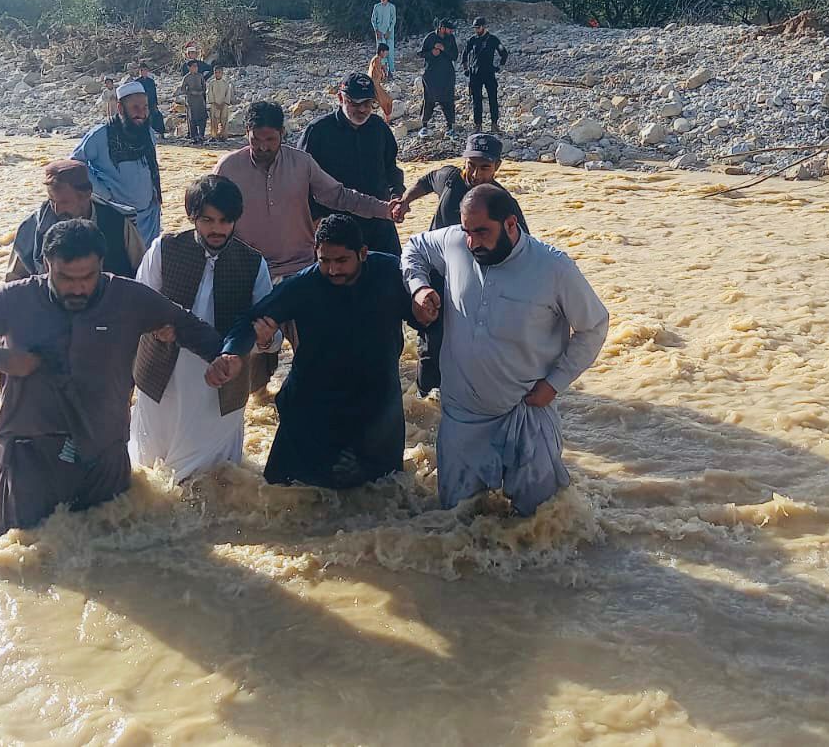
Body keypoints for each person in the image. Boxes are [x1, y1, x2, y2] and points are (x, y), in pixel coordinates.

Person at [0, 219, 243, 540]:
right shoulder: (17, 299)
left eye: (88, 277)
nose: (79, 287)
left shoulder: (127, 298)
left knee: (110, 564)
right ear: (45, 265)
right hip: (28, 455)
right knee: (19, 560)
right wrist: (3, 360)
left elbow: (185, 323)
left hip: (103, 455)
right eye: (66, 278)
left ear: (101, 266)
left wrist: (222, 357)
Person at [402, 185, 609, 515]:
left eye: (482, 231)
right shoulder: (457, 243)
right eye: (467, 231)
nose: (472, 242)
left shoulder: (553, 268)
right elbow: (414, 247)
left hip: (524, 413)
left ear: (512, 224)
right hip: (461, 418)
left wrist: (555, 383)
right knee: (456, 522)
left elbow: (594, 325)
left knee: (539, 524)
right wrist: (419, 287)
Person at [211, 101, 402, 391]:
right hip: (249, 274)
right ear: (246, 133)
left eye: (270, 140)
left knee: (316, 353)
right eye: (256, 140)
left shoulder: (301, 163)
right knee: (252, 369)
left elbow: (340, 196)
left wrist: (384, 210)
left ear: (283, 134)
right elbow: (211, 216)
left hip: (300, 270)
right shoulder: (227, 168)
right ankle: (262, 406)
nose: (262, 147)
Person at [224, 214, 421, 489]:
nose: (332, 270)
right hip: (313, 400)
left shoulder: (390, 274)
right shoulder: (303, 285)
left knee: (384, 494)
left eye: (341, 261)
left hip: (377, 400)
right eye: (324, 260)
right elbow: (250, 320)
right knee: (284, 492)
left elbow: (427, 316)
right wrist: (232, 353)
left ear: (362, 253)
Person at [131, 175, 275, 482]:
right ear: (192, 217)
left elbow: (270, 331)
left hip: (225, 381)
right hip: (163, 376)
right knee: (153, 468)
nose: (216, 229)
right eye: (207, 220)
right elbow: (137, 305)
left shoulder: (254, 263)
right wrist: (156, 326)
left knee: (217, 478)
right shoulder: (164, 249)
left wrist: (266, 339)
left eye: (225, 221)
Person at [396, 134, 527, 395]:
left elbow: (524, 248)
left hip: (474, 285)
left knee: (470, 348)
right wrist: (405, 201)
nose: (476, 174)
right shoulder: (451, 178)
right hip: (435, 277)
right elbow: (426, 181)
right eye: (471, 165)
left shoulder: (502, 202)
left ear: (498, 166)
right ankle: (425, 402)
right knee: (431, 345)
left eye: (485, 167)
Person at [297, 72, 407, 256]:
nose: (362, 109)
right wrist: (316, 219)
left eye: (368, 103)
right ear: (340, 98)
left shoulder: (379, 128)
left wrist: (396, 198)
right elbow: (300, 181)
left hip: (380, 224)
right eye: (355, 103)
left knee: (392, 278)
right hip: (337, 229)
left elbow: (391, 170)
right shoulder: (317, 132)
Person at [7, 159, 145, 282]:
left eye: (64, 202)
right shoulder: (34, 226)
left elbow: (143, 273)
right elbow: (14, 279)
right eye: (52, 201)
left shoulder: (118, 224)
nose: (57, 209)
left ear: (86, 194)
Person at [71, 80, 163, 247]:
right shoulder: (101, 135)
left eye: (145, 108)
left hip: (149, 215)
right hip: (117, 217)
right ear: (121, 108)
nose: (141, 114)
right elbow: (75, 163)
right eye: (135, 108)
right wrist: (103, 193)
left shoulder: (147, 132)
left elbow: (151, 165)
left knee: (149, 268)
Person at [461, 16, 509, 133]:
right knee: (476, 100)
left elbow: (504, 53)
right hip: (475, 74)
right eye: (475, 28)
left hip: (488, 73)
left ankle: (494, 124)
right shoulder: (472, 40)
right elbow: (464, 54)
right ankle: (478, 125)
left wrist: (499, 67)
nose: (476, 30)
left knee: (493, 99)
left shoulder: (493, 39)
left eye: (478, 27)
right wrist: (466, 68)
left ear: (484, 27)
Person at [418, 19, 459, 138]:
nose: (451, 31)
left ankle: (450, 128)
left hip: (447, 75)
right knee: (429, 100)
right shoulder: (430, 38)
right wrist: (431, 52)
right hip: (431, 75)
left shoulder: (451, 38)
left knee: (448, 101)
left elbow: (455, 56)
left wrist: (443, 49)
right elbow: (421, 53)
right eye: (449, 29)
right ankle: (424, 126)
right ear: (441, 28)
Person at [129, 62, 166, 139]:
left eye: (145, 70)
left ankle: (161, 133)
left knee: (158, 116)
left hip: (151, 103)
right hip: (141, 104)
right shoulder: (137, 82)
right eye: (142, 70)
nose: (144, 72)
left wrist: (155, 104)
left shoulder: (151, 81)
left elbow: (154, 93)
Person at [370, 0, 398, 79]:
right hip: (379, 33)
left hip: (389, 33)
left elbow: (393, 20)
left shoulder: (392, 7)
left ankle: (390, 72)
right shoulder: (376, 7)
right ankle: (382, 72)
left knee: (390, 52)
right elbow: (373, 20)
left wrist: (389, 31)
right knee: (381, 53)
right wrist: (376, 30)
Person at [182, 63, 208, 144]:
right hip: (191, 100)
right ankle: (194, 136)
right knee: (192, 118)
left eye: (196, 66)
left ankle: (201, 135)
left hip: (200, 99)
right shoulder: (186, 77)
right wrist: (190, 92)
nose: (196, 68)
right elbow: (183, 89)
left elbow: (204, 86)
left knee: (202, 117)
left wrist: (201, 92)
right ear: (189, 68)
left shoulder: (200, 76)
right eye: (194, 66)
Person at [368, 42, 394, 122]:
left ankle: (387, 119)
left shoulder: (377, 59)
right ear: (382, 51)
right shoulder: (377, 60)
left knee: (386, 100)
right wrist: (383, 72)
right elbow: (377, 74)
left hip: (375, 84)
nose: (386, 55)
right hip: (374, 85)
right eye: (386, 53)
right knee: (387, 100)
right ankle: (387, 121)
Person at [206, 66, 233, 141]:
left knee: (224, 120)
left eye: (219, 72)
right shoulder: (212, 83)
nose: (217, 74)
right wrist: (214, 103)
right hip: (214, 105)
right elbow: (209, 93)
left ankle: (223, 136)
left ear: (222, 73)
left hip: (224, 105)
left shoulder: (225, 83)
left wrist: (224, 103)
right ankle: (214, 136)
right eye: (216, 72)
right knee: (214, 120)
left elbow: (228, 94)